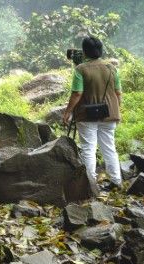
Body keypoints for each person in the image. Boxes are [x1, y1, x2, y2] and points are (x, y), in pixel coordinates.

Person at [62, 36, 123, 188]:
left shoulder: (80, 69)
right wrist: (117, 110)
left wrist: (67, 112)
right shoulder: (111, 68)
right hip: (109, 114)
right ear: (101, 50)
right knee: (109, 147)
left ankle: (90, 183)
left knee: (88, 148)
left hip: (86, 114)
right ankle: (116, 181)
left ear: (84, 52)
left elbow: (77, 94)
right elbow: (118, 93)